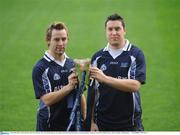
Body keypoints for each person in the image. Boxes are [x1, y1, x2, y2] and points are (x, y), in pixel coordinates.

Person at [88, 13, 146, 131]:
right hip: (102, 124)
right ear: (105, 31)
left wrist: (105, 78)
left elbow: (135, 85)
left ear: (124, 30)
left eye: (117, 29)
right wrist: (91, 122)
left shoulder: (135, 54)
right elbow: (92, 93)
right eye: (110, 29)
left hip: (130, 124)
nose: (114, 33)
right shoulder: (97, 57)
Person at [32, 22, 86, 131]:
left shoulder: (72, 64)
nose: (61, 43)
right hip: (49, 126)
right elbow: (47, 100)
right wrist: (69, 87)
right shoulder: (41, 68)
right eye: (56, 40)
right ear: (48, 40)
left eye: (64, 39)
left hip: (71, 125)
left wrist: (85, 119)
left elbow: (80, 94)